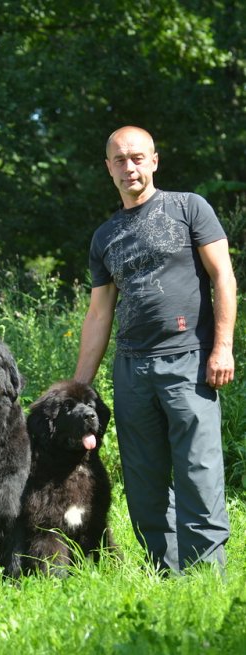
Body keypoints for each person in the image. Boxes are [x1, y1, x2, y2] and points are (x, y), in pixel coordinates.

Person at [74, 125, 237, 573]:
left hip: (190, 359)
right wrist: (79, 388)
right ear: (108, 168)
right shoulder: (105, 236)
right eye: (119, 160)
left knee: (198, 472)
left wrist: (222, 347)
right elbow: (99, 314)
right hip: (132, 369)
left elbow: (223, 276)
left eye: (137, 157)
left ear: (154, 160)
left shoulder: (189, 208)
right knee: (144, 481)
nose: (129, 167)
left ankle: (206, 576)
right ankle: (165, 570)